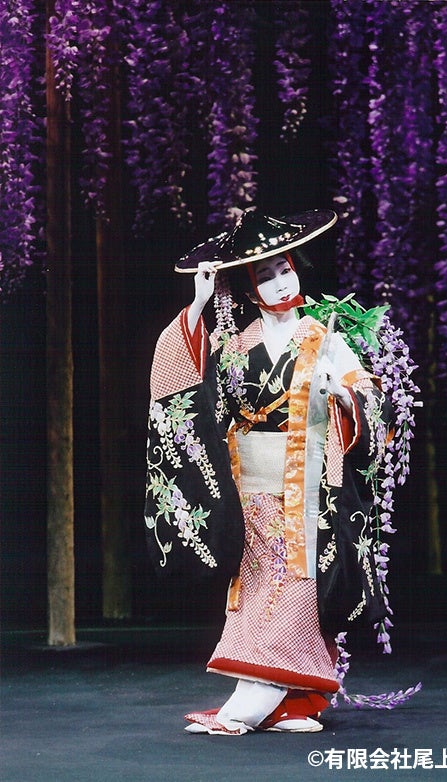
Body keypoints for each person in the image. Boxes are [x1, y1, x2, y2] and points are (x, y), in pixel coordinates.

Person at [144, 209, 392, 735]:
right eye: (266, 276)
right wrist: (199, 304)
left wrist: (343, 395)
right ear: (248, 289)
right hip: (251, 493)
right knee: (257, 595)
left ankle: (245, 710)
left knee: (294, 592)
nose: (281, 283)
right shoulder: (236, 345)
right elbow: (184, 380)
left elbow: (376, 404)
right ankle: (291, 706)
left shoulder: (326, 337)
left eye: (286, 270)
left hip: (308, 494)